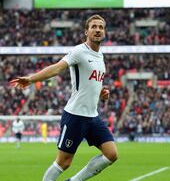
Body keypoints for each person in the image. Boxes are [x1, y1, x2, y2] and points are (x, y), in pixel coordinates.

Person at [10, 14, 118, 181]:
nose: (97, 30)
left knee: (111, 154)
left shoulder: (100, 56)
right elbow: (57, 68)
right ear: (86, 32)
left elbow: (90, 84)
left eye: (101, 27)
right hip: (75, 116)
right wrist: (31, 79)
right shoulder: (79, 51)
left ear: (104, 32)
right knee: (64, 162)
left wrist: (102, 93)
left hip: (92, 116)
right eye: (94, 27)